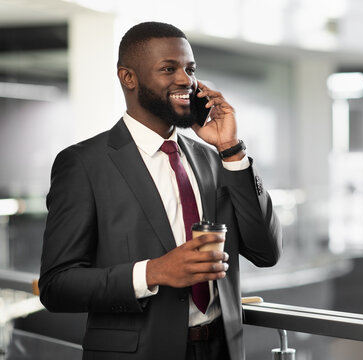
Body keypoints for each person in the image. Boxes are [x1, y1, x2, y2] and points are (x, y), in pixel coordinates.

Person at [39, 21, 282, 360]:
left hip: (222, 349)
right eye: (169, 69)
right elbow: (56, 286)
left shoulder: (215, 159)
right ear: (128, 78)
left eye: (190, 69)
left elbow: (266, 252)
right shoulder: (82, 164)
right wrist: (153, 271)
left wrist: (232, 150)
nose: (186, 80)